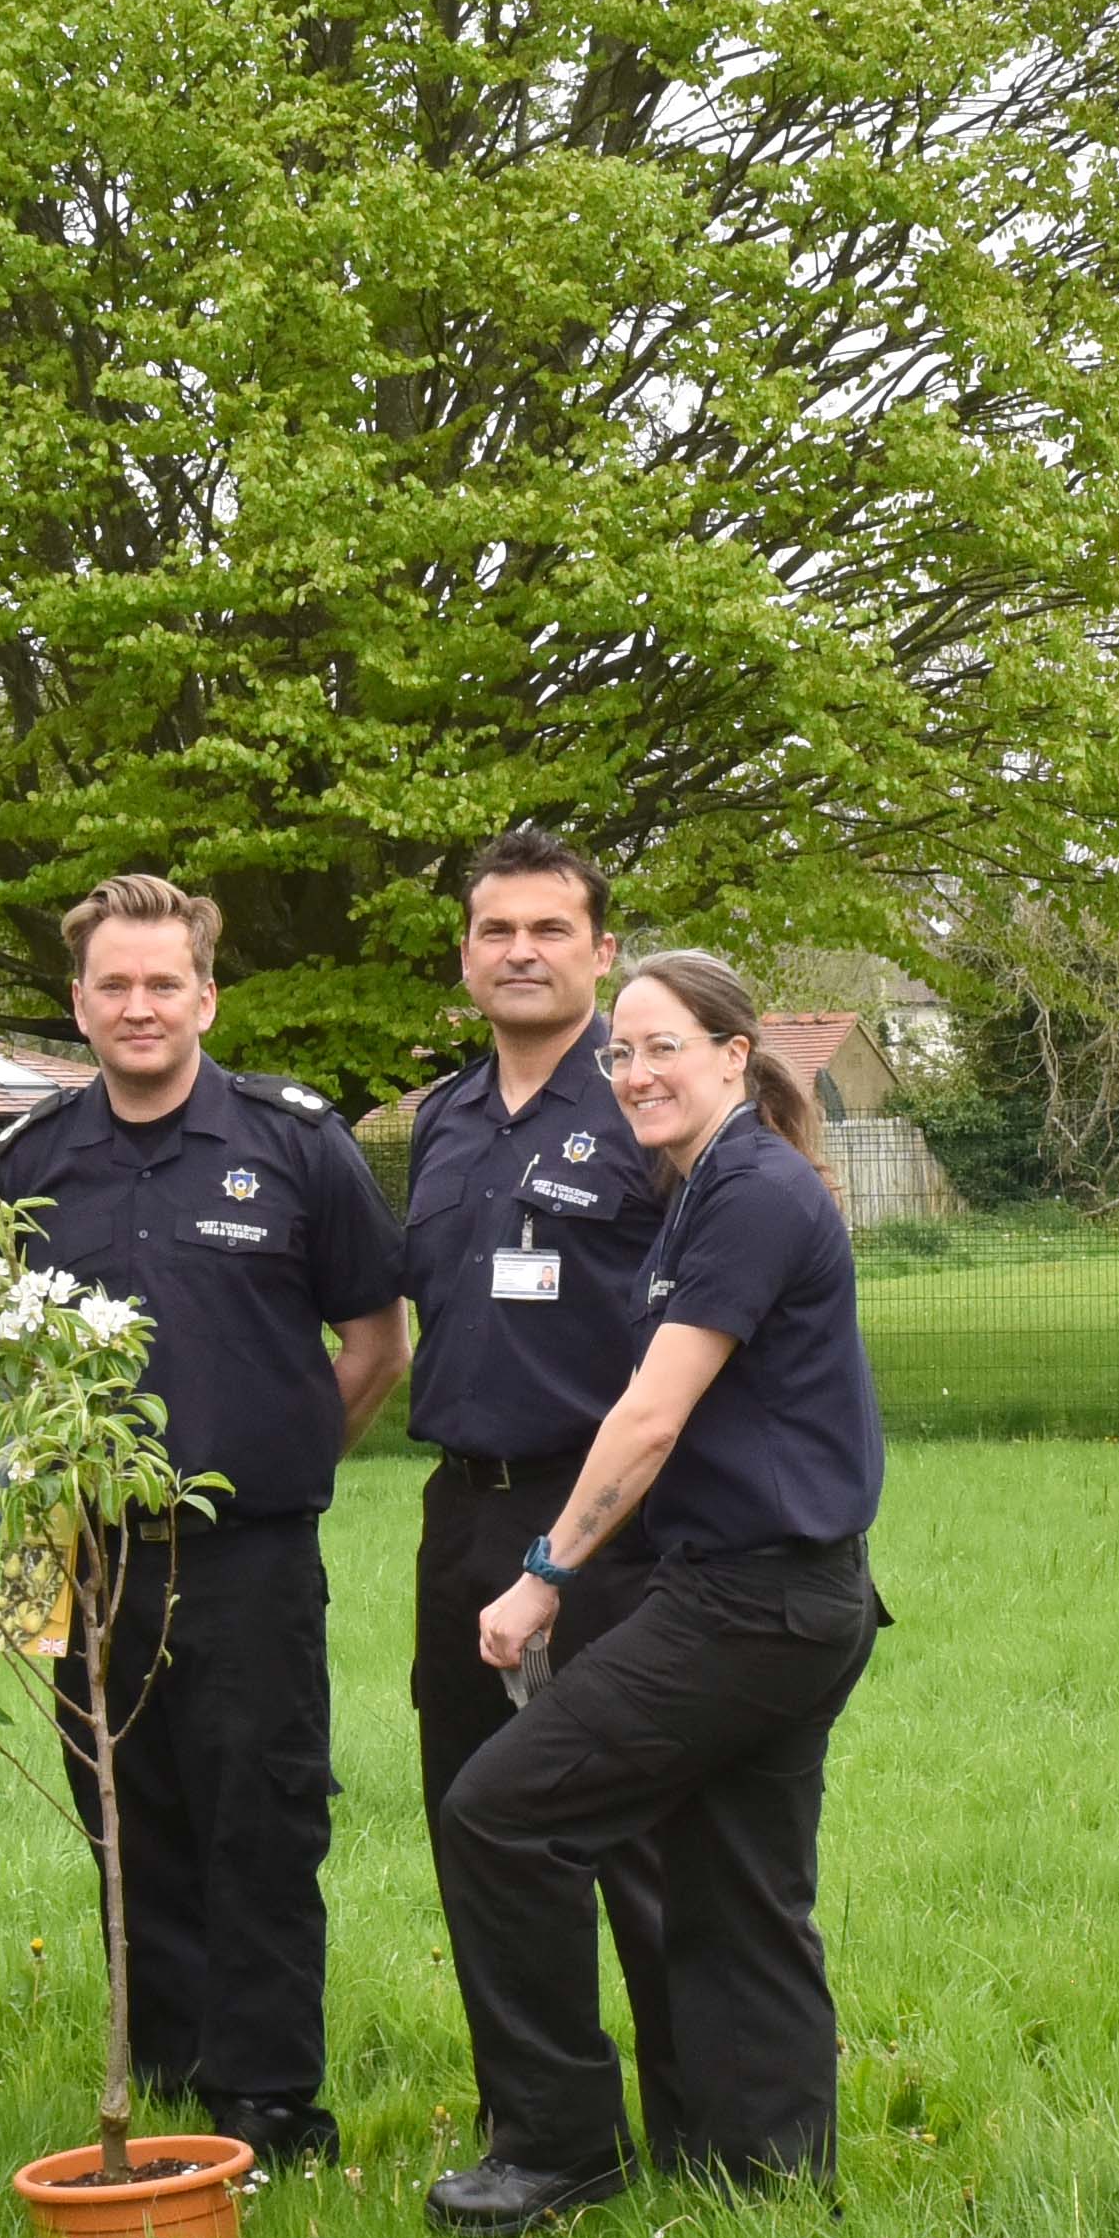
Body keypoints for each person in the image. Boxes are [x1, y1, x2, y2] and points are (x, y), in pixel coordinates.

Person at [428, 946, 887, 2238]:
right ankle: (767, 2191)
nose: (632, 1073)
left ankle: (558, 2147)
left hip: (750, 1606)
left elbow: (646, 1421)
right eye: (618, 1053)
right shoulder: (714, 1183)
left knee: (500, 1814)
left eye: (660, 1047)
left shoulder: (745, 1190)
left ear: (734, 1057)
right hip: (790, 1597)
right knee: (737, 1892)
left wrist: (539, 1579)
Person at [0, 873, 408, 2173]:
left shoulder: (295, 1144)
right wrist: (20, 1591)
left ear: (206, 995)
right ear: (77, 1002)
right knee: (129, 1822)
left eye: (162, 981)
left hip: (248, 1560)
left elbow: (374, 1341)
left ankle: (271, 2107)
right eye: (111, 984)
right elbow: (16, 1371)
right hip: (89, 1556)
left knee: (261, 1824)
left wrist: (274, 1460)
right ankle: (164, 2090)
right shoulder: (35, 1157)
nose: (137, 1004)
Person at [395, 830, 682, 2158]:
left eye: (548, 929)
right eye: (495, 930)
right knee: (478, 1829)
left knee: (642, 1838)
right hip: (462, 1515)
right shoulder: (442, 1120)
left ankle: (698, 2119)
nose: (519, 951)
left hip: (611, 1522)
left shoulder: (643, 1111)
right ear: (464, 957)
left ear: (600, 952)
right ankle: (542, 2130)